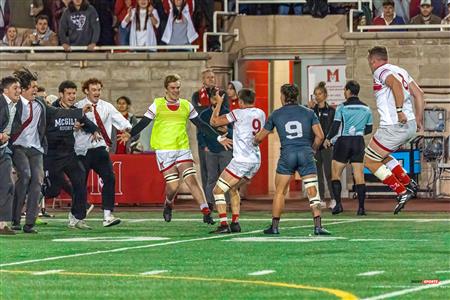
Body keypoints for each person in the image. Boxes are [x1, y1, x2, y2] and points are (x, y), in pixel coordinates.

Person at [119, 74, 232, 224]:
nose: (176, 90)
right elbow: (144, 122)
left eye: (178, 87)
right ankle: (168, 202)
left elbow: (201, 125)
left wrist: (218, 137)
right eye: (173, 88)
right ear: (166, 89)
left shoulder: (186, 105)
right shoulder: (157, 104)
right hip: (164, 150)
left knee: (191, 179)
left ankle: (205, 211)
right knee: (173, 186)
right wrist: (130, 134)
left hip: (182, 148)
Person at [254, 84, 330, 236]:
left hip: (287, 154)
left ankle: (274, 226)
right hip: (305, 153)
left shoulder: (276, 114)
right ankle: (317, 226)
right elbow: (320, 136)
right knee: (312, 190)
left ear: (283, 96)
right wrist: (312, 149)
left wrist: (252, 141)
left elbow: (259, 137)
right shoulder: (309, 112)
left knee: (280, 192)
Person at [365, 46, 424, 214]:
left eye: (370, 61)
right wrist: (418, 119)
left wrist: (399, 111)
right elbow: (419, 94)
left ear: (373, 60)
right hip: (409, 125)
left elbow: (396, 85)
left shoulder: (380, 71)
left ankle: (401, 191)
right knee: (379, 155)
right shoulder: (400, 70)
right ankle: (408, 182)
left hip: (394, 125)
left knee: (369, 161)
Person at [74, 78, 132, 227]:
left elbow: (122, 121)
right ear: (86, 91)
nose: (97, 93)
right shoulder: (78, 107)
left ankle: (107, 215)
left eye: (99, 90)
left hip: (100, 149)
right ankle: (77, 217)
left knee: (109, 178)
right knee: (80, 183)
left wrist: (127, 130)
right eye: (94, 90)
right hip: (82, 150)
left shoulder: (107, 107)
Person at [209, 88, 265, 234]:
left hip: (242, 160)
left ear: (240, 101)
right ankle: (235, 223)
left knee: (218, 190)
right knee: (233, 188)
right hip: (255, 161)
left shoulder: (238, 113)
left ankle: (223, 224)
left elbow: (214, 122)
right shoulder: (261, 113)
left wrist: (218, 104)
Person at [44, 80, 98, 229]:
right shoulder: (51, 109)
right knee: (52, 190)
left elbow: (87, 122)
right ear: (61, 94)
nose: (72, 96)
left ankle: (78, 218)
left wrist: (94, 131)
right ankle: (29, 199)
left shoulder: (75, 111)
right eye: (69, 93)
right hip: (52, 156)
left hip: (69, 154)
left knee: (80, 180)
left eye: (74, 93)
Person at [322, 80, 373, 215]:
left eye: (345, 90)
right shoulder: (366, 108)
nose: (344, 93)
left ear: (348, 91)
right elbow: (369, 129)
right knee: (359, 176)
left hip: (344, 142)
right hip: (358, 142)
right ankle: (361, 208)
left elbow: (336, 126)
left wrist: (327, 138)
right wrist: (358, 131)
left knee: (335, 174)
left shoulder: (342, 107)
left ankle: (338, 205)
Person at [192, 69, 229, 196]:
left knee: (223, 169)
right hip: (205, 136)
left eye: (213, 77)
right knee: (206, 169)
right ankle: (208, 199)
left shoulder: (222, 93)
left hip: (220, 134)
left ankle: (223, 197)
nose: (211, 79)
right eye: (208, 77)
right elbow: (197, 114)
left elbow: (226, 111)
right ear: (203, 80)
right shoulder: (197, 95)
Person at [197, 94, 233, 210]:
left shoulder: (228, 113)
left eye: (218, 99)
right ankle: (210, 202)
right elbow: (200, 131)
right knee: (211, 177)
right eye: (213, 98)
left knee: (226, 178)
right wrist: (204, 146)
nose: (215, 100)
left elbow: (234, 130)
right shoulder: (204, 114)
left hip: (225, 150)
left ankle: (226, 203)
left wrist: (228, 131)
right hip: (211, 150)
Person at [308, 81, 335, 209]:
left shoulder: (331, 111)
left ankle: (334, 199)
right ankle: (322, 198)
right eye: (315, 94)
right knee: (317, 173)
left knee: (329, 173)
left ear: (325, 95)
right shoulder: (311, 111)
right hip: (315, 146)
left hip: (327, 146)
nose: (317, 96)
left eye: (319, 94)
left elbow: (333, 127)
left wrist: (328, 139)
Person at [0, 76, 21, 235]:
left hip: (4, 149)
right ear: (5, 90)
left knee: (8, 184)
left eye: (19, 88)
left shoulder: (17, 105)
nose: (18, 91)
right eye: (15, 88)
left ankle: (2, 224)